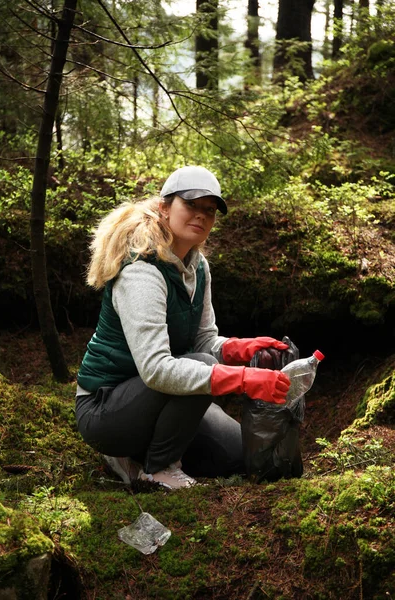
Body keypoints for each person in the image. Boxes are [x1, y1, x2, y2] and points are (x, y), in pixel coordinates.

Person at [75, 165, 290, 490]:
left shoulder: (197, 266)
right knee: (202, 366)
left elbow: (205, 340)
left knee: (251, 456)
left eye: (210, 210)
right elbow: (157, 370)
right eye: (191, 205)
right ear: (164, 208)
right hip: (106, 410)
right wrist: (243, 379)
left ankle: (150, 452)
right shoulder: (141, 271)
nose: (201, 216)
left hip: (166, 402)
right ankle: (156, 467)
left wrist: (242, 349)